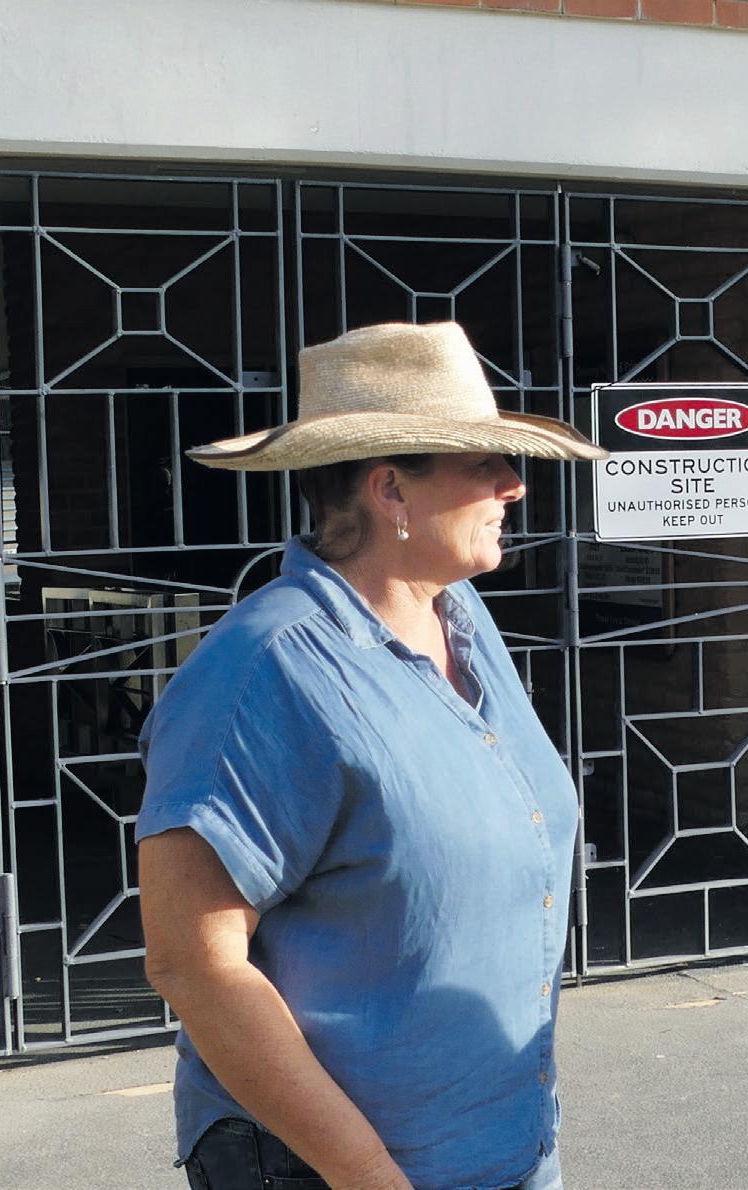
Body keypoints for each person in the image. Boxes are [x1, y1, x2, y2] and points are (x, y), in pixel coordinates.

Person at [136, 322, 606, 1190]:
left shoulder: (461, 618)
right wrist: (368, 1176)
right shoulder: (265, 668)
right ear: (390, 489)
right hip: (335, 1169)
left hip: (503, 1142)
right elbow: (192, 962)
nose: (513, 485)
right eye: (484, 463)